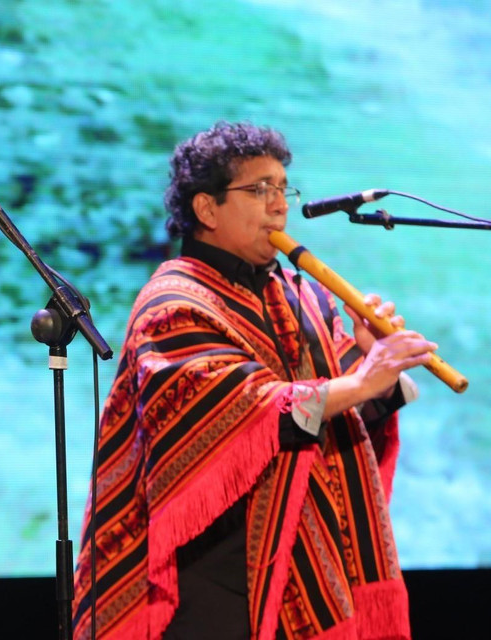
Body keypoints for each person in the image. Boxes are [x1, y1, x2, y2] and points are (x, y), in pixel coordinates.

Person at [72, 122, 435, 639]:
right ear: (206, 209)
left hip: (304, 556)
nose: (280, 205)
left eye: (282, 188)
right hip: (214, 570)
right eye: (259, 190)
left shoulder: (300, 293)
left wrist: (373, 359)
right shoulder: (173, 303)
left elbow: (340, 409)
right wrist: (360, 382)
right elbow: (246, 410)